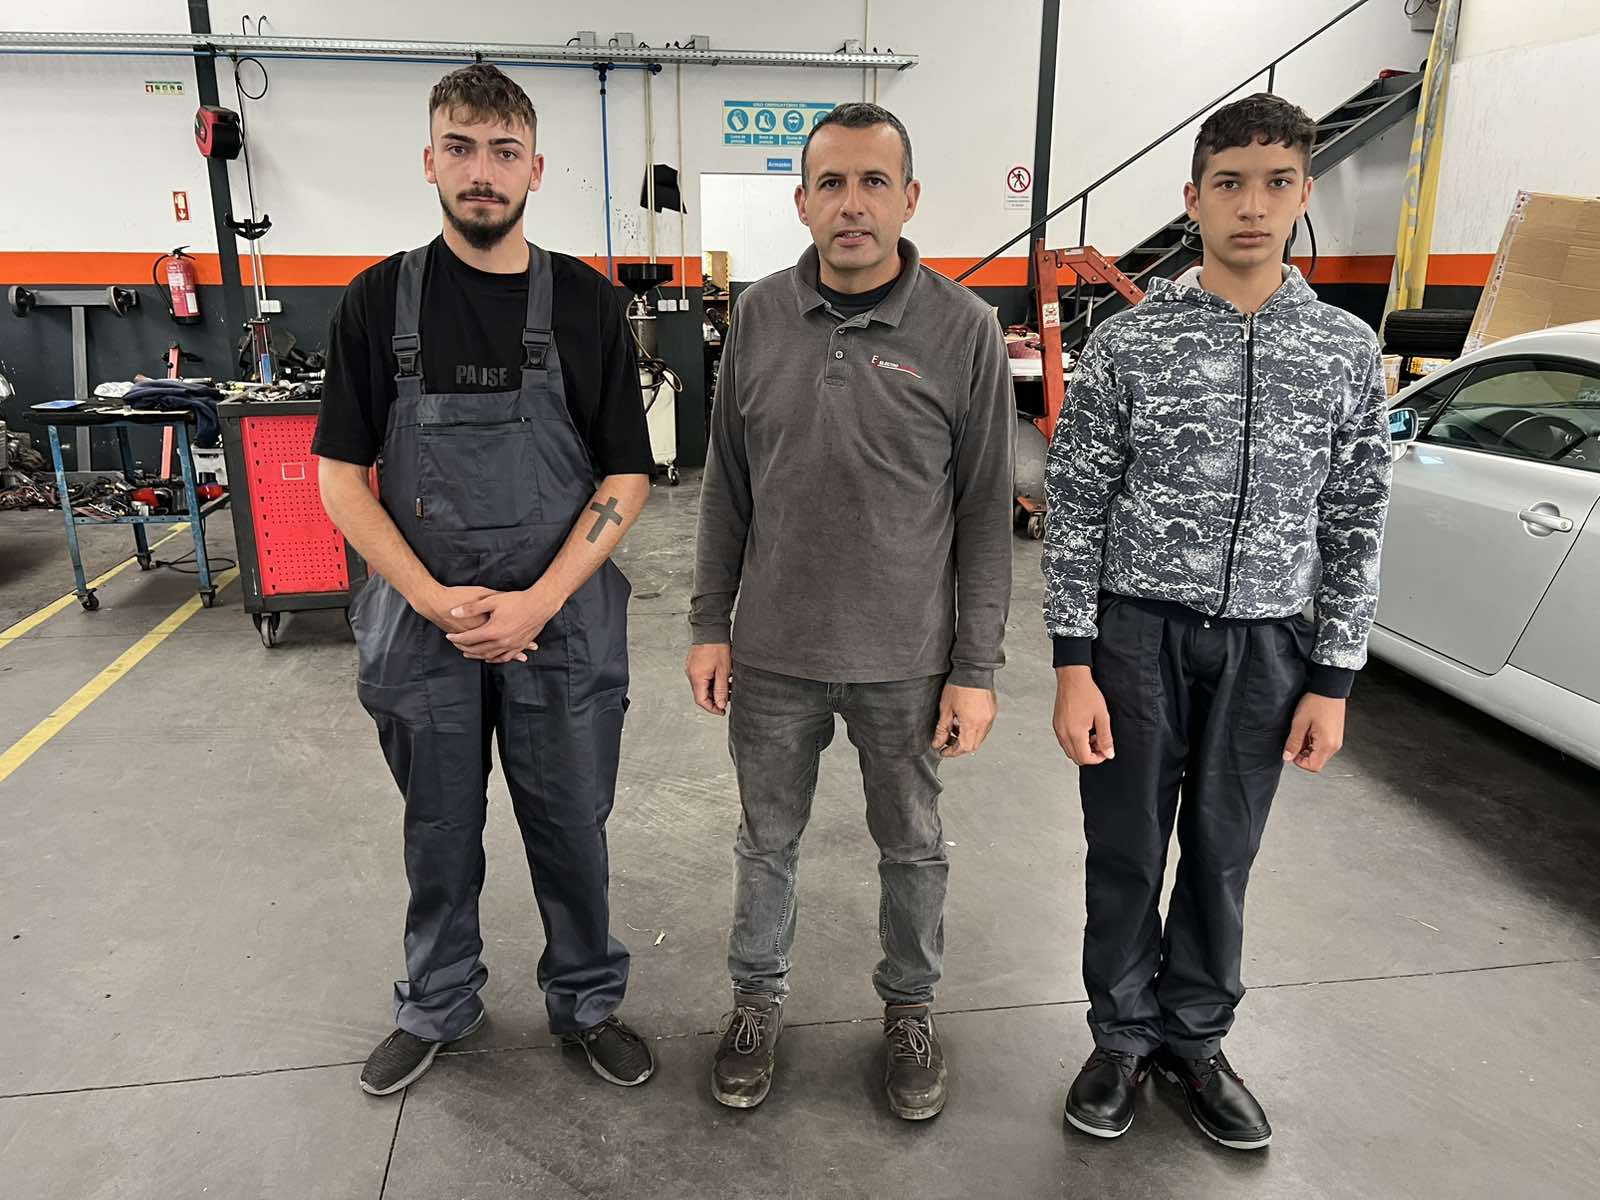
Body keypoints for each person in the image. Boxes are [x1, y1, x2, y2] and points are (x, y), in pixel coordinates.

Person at [1045, 93, 1392, 1149]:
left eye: (1276, 183)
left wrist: (1333, 679)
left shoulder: (1342, 352)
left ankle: (1194, 1040)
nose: (1252, 205)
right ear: (1192, 198)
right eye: (1229, 183)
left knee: (1222, 853)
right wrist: (1072, 662)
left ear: (1303, 193)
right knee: (1124, 849)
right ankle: (1120, 1037)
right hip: (1135, 637)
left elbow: (1355, 518)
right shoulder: (1128, 345)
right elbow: (1076, 506)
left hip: (1267, 646)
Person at [315, 63, 656, 1097]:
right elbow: (339, 479)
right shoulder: (376, 302)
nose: (481, 171)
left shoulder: (588, 306)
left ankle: (586, 998)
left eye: (504, 152)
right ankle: (437, 1001)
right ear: (430, 160)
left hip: (560, 620)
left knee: (571, 825)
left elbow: (626, 476)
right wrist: (430, 598)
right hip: (426, 625)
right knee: (438, 832)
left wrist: (539, 601)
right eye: (460, 148)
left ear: (535, 170)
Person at [687, 102, 1015, 1120]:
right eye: (831, 183)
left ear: (910, 199)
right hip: (773, 652)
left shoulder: (964, 330)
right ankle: (755, 1002)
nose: (853, 204)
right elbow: (726, 485)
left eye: (875, 182)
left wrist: (975, 668)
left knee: (911, 848)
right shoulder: (757, 318)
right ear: (802, 202)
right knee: (765, 842)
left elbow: (984, 514)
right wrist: (707, 623)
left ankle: (910, 1009)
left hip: (905, 659)